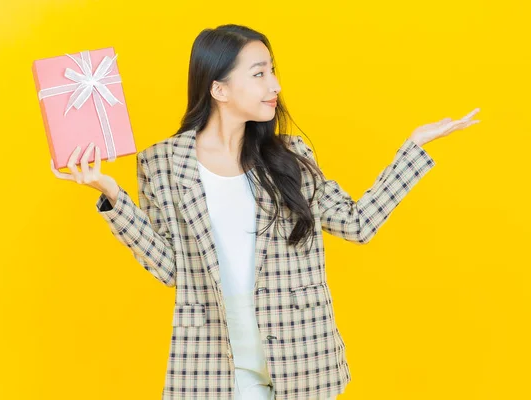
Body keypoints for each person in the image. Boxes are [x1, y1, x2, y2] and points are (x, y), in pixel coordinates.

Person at [51, 23, 480, 400]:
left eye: (272, 71)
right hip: (215, 366)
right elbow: (171, 270)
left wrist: (413, 150)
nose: (274, 85)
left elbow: (357, 223)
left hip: (303, 361)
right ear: (219, 89)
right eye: (259, 74)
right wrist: (112, 195)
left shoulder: (289, 156)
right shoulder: (161, 162)